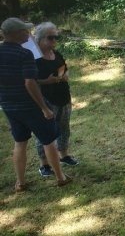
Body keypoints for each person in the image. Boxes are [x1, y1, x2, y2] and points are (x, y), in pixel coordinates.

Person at [0, 17, 71, 191]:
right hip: (29, 104)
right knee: (48, 140)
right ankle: (60, 177)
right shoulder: (25, 54)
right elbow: (30, 83)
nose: (28, 34)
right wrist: (44, 108)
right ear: (16, 34)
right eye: (25, 31)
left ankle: (21, 182)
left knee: (20, 142)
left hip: (9, 105)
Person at [33, 22, 78, 177]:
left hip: (63, 96)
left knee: (64, 127)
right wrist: (47, 81)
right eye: (50, 38)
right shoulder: (34, 58)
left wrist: (65, 76)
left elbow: (65, 69)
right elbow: (30, 81)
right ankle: (44, 164)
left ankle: (64, 155)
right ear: (39, 39)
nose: (54, 41)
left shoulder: (56, 53)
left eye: (56, 37)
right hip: (45, 99)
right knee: (45, 132)